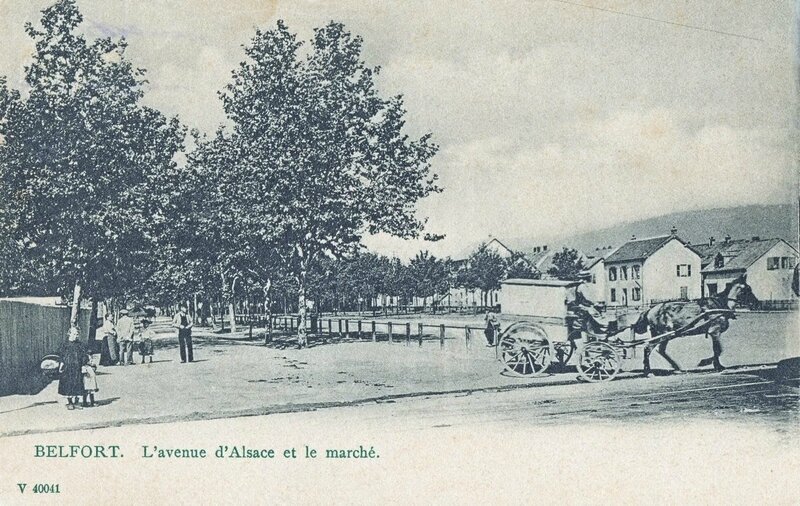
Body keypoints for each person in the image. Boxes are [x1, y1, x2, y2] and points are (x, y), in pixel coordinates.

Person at [58, 326, 88, 410]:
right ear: (69, 334)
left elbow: (83, 356)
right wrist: (61, 364)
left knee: (78, 384)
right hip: (68, 368)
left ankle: (77, 402)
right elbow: (61, 356)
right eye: (74, 334)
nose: (76, 336)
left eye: (77, 334)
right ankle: (70, 402)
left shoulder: (80, 345)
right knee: (68, 384)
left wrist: (83, 365)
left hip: (77, 367)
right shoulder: (65, 344)